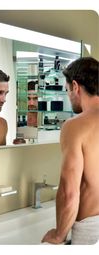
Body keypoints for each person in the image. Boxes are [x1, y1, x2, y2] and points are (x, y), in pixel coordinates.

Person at [42, 57, 99, 245]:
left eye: (67, 91)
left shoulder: (76, 125)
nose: (68, 97)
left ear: (75, 86)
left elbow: (69, 192)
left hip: (91, 229)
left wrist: (59, 235)